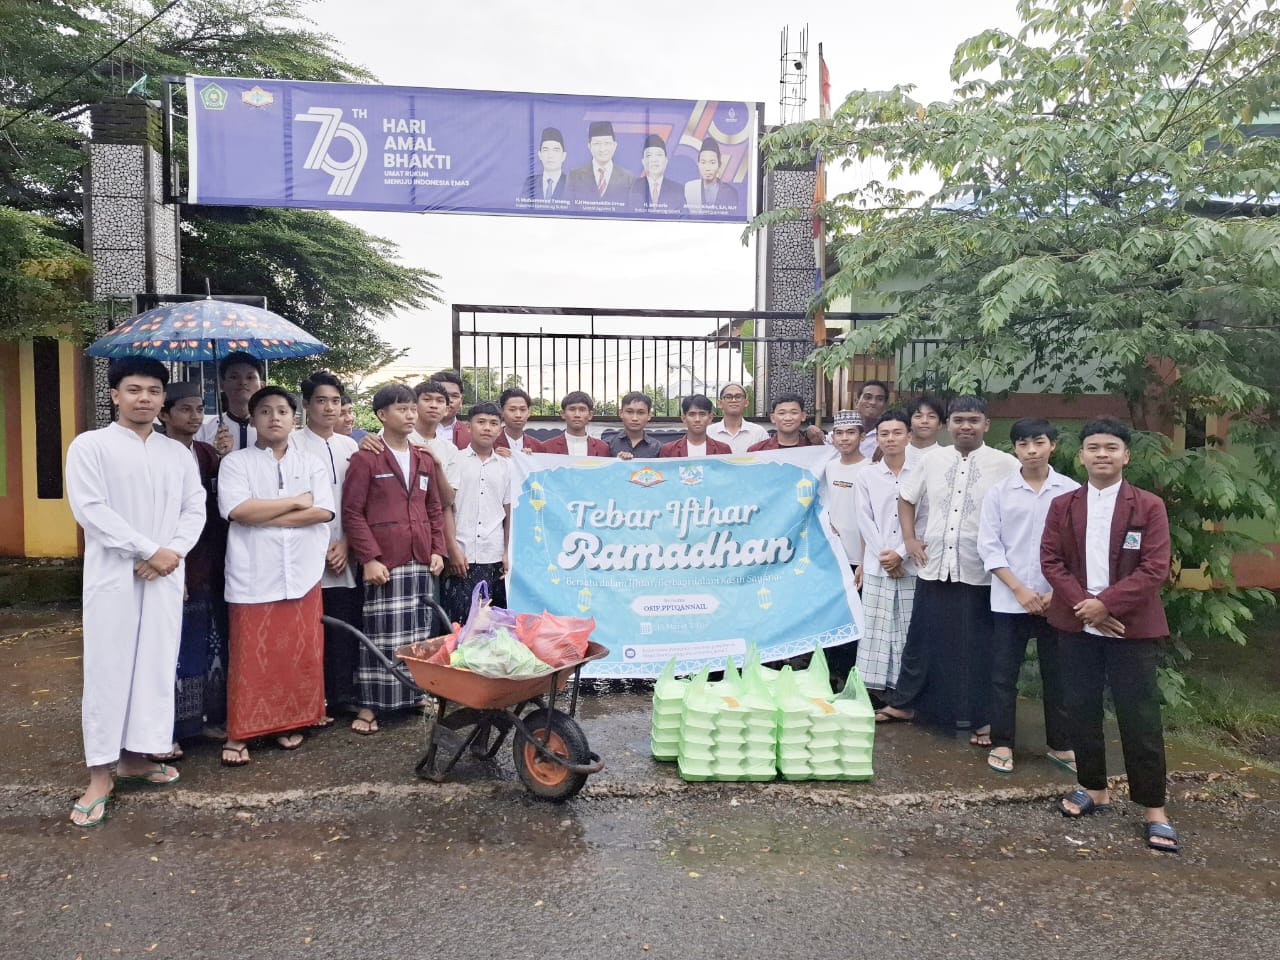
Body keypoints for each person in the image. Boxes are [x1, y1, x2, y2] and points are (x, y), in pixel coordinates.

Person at [65, 358, 205, 826]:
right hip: (114, 577)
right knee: (108, 668)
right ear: (115, 395)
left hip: (165, 576)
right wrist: (147, 549)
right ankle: (100, 773)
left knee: (154, 665)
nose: (144, 398)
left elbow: (194, 510)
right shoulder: (92, 446)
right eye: (134, 389)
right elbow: (90, 509)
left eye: (153, 390)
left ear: (163, 400)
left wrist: (172, 553)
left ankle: (135, 757)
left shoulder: (177, 454)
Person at [1041, 418, 1179, 853]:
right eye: (1094, 447)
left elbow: (1155, 568)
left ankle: (1154, 809)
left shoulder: (1149, 506)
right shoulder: (1064, 505)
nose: (1102, 454)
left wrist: (1108, 605)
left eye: (1111, 447)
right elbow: (1050, 560)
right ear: (1080, 455)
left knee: (1139, 717)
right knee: (1080, 709)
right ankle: (1093, 787)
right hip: (1078, 623)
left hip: (1131, 627)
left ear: (1126, 455)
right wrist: (1087, 606)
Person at [876, 396, 1018, 737]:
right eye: (958, 420)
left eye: (972, 420)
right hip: (935, 564)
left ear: (986, 424)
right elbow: (906, 498)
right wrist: (909, 540)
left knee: (975, 646)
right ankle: (907, 703)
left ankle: (979, 717)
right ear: (948, 425)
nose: (965, 426)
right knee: (923, 641)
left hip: (980, 569)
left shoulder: (1006, 464)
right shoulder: (932, 460)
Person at [218, 386, 334, 766]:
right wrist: (295, 501)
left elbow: (323, 513)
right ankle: (241, 733)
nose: (274, 417)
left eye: (282, 410)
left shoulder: (312, 463)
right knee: (252, 655)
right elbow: (237, 511)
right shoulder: (236, 463)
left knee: (295, 652)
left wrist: (267, 513)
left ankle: (289, 722)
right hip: (254, 574)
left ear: (294, 418)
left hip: (301, 572)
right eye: (264, 411)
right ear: (252, 420)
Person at [343, 384, 447, 735]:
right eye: (401, 409)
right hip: (385, 561)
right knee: (380, 633)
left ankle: (412, 694)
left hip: (420, 557)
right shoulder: (366, 458)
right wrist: (369, 558)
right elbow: (352, 512)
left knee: (417, 630)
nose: (409, 415)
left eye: (411, 409)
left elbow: (433, 507)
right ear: (381, 415)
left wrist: (437, 549)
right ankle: (370, 706)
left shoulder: (423, 458)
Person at [977, 418, 1079, 775]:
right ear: (1014, 449)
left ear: (1053, 445)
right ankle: (1003, 741)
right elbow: (989, 547)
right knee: (1004, 674)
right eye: (1023, 444)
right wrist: (1019, 589)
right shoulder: (1000, 492)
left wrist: (1056, 593)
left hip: (1058, 600)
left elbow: (1078, 551)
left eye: (1039, 442)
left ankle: (1061, 744)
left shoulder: (1070, 491)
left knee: (1059, 674)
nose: (1031, 450)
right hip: (1010, 598)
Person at [155, 380, 229, 758]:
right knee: (175, 647)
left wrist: (225, 459)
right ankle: (168, 728)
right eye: (185, 408)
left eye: (199, 408)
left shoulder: (206, 452)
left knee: (211, 643)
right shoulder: (156, 453)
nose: (195, 416)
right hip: (173, 559)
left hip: (210, 557)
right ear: (164, 413)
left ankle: (208, 719)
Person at [292, 370, 361, 725]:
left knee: (343, 624)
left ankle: (342, 695)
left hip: (344, 551)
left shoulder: (350, 446)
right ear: (306, 405)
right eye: (321, 400)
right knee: (307, 626)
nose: (329, 408)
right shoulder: (291, 445)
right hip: (306, 551)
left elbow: (358, 502)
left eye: (335, 401)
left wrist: (347, 543)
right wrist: (319, 545)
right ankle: (310, 698)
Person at [854, 410, 917, 699]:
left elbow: (927, 517)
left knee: (907, 628)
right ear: (877, 438)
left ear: (909, 436)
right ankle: (875, 693)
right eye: (884, 434)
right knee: (876, 630)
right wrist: (885, 556)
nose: (891, 439)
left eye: (897, 433)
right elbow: (863, 518)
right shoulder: (867, 474)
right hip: (878, 565)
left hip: (912, 565)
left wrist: (901, 553)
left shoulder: (922, 471)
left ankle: (905, 691)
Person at [441, 402, 512, 624]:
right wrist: (452, 548)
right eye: (481, 422)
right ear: (468, 427)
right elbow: (446, 507)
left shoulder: (506, 466)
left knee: (491, 626)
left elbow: (509, 512)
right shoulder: (455, 461)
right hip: (461, 556)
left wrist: (508, 552)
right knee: (459, 625)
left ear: (500, 429)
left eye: (493, 424)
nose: (487, 428)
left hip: (494, 555)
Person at [820, 409, 868, 683]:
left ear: (862, 436)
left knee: (856, 619)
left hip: (860, 559)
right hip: (834, 558)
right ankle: (831, 675)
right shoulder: (828, 468)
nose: (845, 438)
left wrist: (864, 559)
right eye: (839, 433)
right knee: (833, 618)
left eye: (851, 432)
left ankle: (852, 676)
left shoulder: (870, 470)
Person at [195, 351, 264, 455]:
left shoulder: (270, 429)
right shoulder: (205, 430)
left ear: (262, 386)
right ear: (221, 385)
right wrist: (216, 455)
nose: (243, 382)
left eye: (250, 377)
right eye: (234, 377)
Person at [567, 120, 636, 203]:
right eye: (597, 143)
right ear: (589, 146)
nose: (602, 149)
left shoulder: (628, 179)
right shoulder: (574, 176)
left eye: (607, 143)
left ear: (614, 146)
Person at [661, 394, 732, 457]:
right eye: (692, 414)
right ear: (684, 418)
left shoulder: (723, 450)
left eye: (702, 414)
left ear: (710, 418)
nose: (697, 419)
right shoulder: (669, 450)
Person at [542, 391, 610, 455]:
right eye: (572, 409)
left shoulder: (603, 448)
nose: (577, 415)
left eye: (582, 410)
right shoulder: (547, 447)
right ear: (563, 414)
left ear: (590, 415)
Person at [629, 134, 683, 212]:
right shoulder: (632, 187)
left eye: (658, 155)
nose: (654, 160)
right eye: (649, 155)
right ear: (643, 162)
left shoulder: (678, 190)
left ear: (666, 161)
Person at [708, 383, 767, 453]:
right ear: (720, 403)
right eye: (728, 397)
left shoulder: (759, 433)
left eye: (738, 396)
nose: (733, 400)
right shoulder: (708, 433)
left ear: (746, 402)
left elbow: (766, 460)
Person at [683, 138, 739, 213]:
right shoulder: (689, 188)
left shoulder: (730, 193)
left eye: (712, 163)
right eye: (703, 162)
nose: (707, 168)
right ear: (698, 164)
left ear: (719, 165)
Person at [748, 393, 815, 451]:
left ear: (803, 416)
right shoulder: (757, 450)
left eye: (794, 413)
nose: (788, 418)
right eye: (782, 413)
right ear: (773, 418)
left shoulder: (815, 449)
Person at [520, 126, 569, 203]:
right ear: (540, 155)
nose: (550, 155)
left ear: (563, 156)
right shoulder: (530, 182)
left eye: (556, 150)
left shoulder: (570, 183)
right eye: (545, 150)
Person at [609, 391, 663, 459]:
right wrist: (616, 462)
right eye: (629, 412)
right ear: (621, 413)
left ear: (649, 415)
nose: (635, 418)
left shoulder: (657, 447)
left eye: (641, 413)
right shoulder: (608, 444)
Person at [494, 387, 546, 455]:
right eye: (512, 410)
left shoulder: (538, 447)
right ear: (502, 412)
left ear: (529, 412)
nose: (518, 415)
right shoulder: (490, 444)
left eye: (523, 410)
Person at [430, 370, 471, 450]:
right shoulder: (411, 431)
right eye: (444, 395)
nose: (449, 400)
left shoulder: (471, 433)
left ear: (461, 401)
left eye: (454, 396)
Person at [854, 380, 889, 459]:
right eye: (868, 397)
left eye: (879, 399)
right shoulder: (841, 434)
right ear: (856, 402)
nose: (873, 402)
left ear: (885, 406)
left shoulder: (888, 438)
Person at [906, 394, 945, 462]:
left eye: (931, 416)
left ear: (940, 424)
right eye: (918, 416)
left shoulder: (946, 457)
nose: (925, 421)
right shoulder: (898, 454)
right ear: (909, 422)